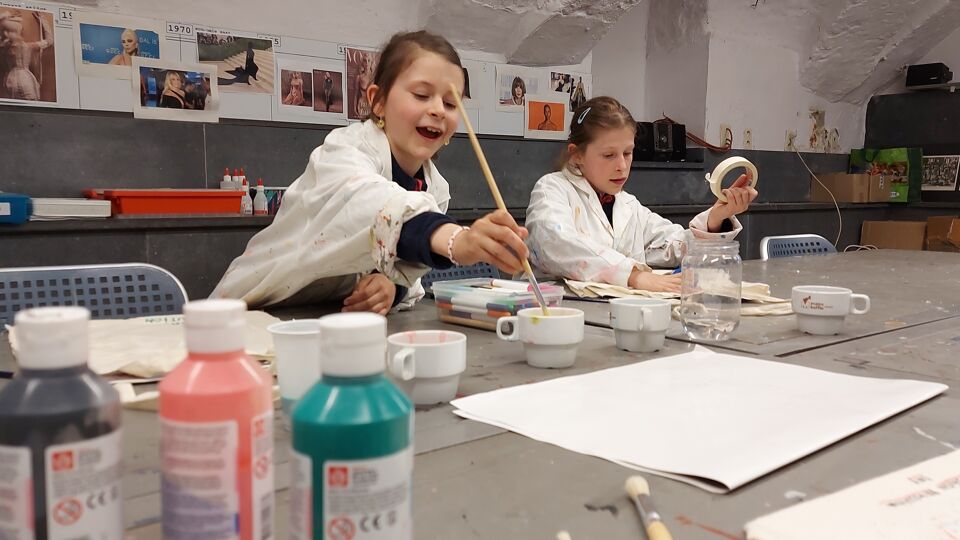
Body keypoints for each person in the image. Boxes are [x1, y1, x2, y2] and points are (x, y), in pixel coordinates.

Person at [212, 30, 529, 315]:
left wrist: (391, 288)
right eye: (421, 95)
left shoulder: (434, 189)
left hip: (327, 319)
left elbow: (408, 266)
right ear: (377, 101)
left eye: (450, 103)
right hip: (253, 309)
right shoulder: (342, 151)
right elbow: (369, 203)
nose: (437, 110)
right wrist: (457, 241)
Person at [525, 96, 758, 293]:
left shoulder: (628, 206)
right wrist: (636, 276)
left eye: (627, 153)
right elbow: (556, 243)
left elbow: (673, 246)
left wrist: (716, 218)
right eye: (609, 155)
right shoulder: (551, 190)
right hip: (555, 316)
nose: (622, 166)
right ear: (576, 155)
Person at [0, 10, 53, 101]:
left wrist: (5, 18)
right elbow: (49, 41)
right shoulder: (28, 47)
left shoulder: (3, 48)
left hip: (8, 82)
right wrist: (43, 20)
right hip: (25, 80)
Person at [354, 52, 373, 118]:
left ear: (371, 62)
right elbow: (356, 94)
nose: (367, 63)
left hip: (372, 106)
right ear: (363, 63)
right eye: (365, 60)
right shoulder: (359, 77)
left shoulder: (375, 78)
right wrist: (354, 107)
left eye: (369, 60)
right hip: (362, 105)